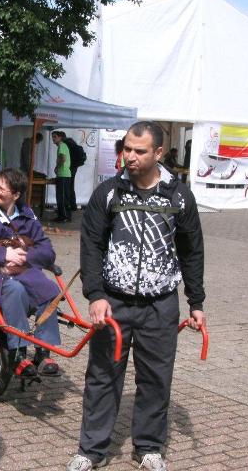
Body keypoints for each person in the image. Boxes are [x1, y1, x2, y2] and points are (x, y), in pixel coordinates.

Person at [68, 121, 205, 471]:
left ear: (158, 153)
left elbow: (191, 251)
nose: (129, 156)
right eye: (126, 148)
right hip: (112, 304)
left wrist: (196, 301)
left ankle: (148, 448)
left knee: (156, 379)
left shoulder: (179, 196)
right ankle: (91, 450)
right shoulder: (109, 193)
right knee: (102, 376)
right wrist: (95, 294)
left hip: (160, 305)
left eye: (139, 150)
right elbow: (92, 245)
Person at [0, 168, 62, 377]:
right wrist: (3, 255)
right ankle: (18, 353)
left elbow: (47, 251)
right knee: (15, 289)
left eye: (2, 187)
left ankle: (44, 352)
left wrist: (26, 257)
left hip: (23, 271)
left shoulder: (27, 215)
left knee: (50, 289)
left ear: (16, 195)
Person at [51, 131, 71, 223]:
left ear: (60, 137)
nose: (53, 139)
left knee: (62, 197)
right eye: (53, 137)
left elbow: (63, 158)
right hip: (63, 174)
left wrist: (57, 167)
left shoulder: (62, 145)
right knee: (62, 196)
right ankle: (62, 215)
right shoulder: (62, 146)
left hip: (63, 174)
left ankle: (64, 217)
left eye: (55, 137)